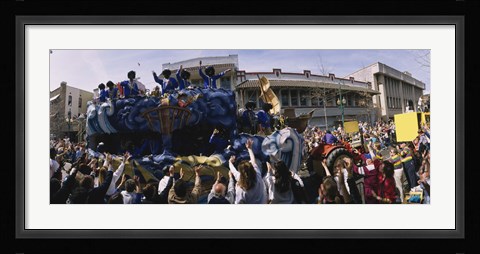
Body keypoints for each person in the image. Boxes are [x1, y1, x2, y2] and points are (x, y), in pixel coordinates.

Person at [228, 139, 267, 204]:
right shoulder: (257, 174)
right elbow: (253, 161)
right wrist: (249, 148)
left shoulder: (241, 189)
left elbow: (233, 171)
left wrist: (230, 162)